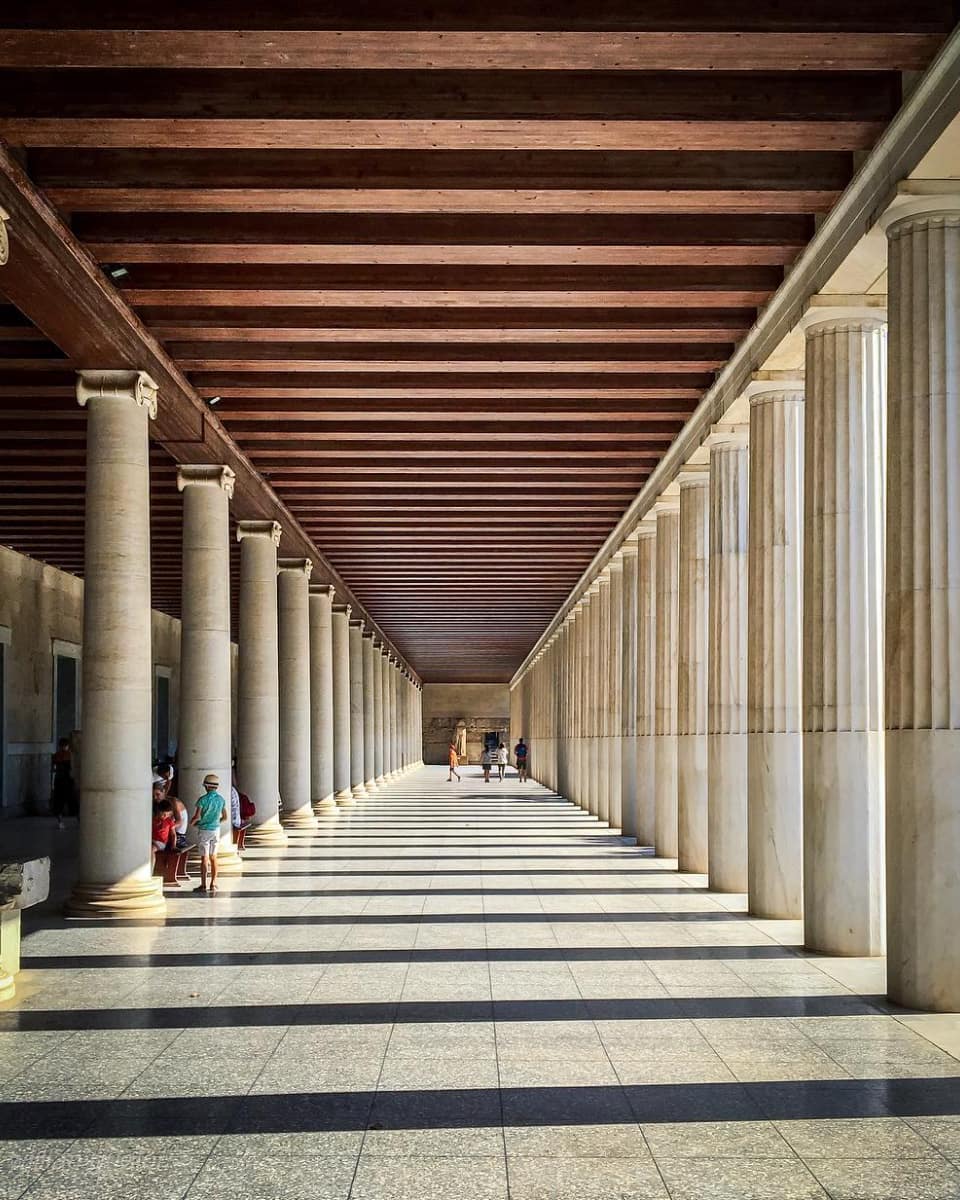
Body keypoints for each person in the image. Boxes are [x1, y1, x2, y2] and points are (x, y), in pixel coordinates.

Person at [191, 773, 227, 894]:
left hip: (204, 830)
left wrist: (192, 823)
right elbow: (225, 817)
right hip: (215, 830)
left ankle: (203, 885)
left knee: (204, 858)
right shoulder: (221, 799)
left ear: (206, 786)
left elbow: (196, 816)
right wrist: (216, 822)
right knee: (213, 857)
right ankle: (213, 884)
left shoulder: (202, 800)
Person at [50, 737, 77, 829]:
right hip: (68, 780)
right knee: (72, 800)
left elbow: (53, 769)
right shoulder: (70, 755)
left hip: (58, 780)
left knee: (59, 802)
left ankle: (60, 822)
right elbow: (73, 768)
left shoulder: (56, 755)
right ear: (67, 746)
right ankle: (79, 820)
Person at [151, 796, 176, 869]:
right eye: (163, 814)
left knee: (151, 850)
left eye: (166, 815)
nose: (164, 816)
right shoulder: (153, 819)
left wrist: (173, 845)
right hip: (152, 840)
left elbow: (173, 834)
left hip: (161, 843)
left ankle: (150, 871)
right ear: (158, 812)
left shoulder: (169, 821)